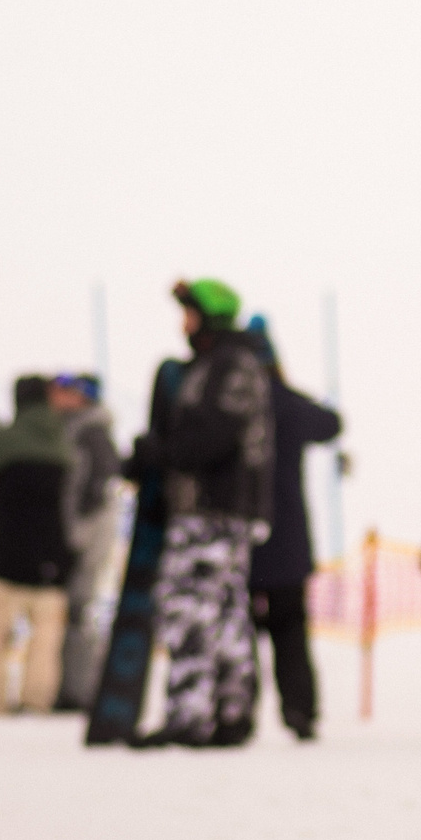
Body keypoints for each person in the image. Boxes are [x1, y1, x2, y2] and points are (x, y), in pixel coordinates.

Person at [131, 278, 273, 747]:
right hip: (220, 510)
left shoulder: (230, 367)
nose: (183, 323)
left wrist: (161, 452)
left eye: (190, 313)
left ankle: (188, 715)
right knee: (226, 610)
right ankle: (232, 711)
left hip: (212, 509)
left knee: (189, 608)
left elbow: (213, 438)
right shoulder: (218, 365)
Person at [241, 323, 342, 741]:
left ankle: (238, 709)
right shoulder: (286, 403)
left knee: (239, 632)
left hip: (242, 536)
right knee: (290, 631)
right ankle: (300, 711)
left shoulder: (235, 402)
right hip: (287, 541)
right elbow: (331, 423)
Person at [0, 376, 75, 715]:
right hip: (54, 556)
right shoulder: (65, 441)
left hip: (9, 556)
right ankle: (37, 700)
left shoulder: (8, 439)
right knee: (45, 641)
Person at [50, 372, 121, 711]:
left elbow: (102, 485)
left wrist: (78, 532)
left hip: (86, 537)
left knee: (79, 610)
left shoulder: (90, 431)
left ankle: (78, 688)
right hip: (80, 534)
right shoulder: (75, 429)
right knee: (72, 612)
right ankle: (69, 684)